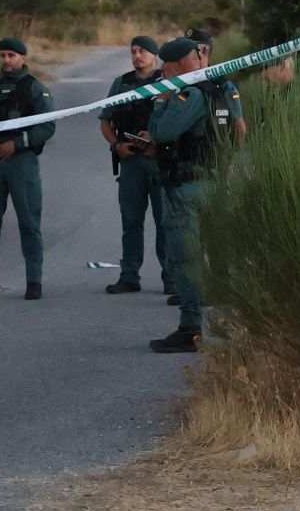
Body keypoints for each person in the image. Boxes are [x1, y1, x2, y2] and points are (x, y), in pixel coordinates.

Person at [147, 36, 234, 353]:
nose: (163, 76)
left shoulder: (189, 94)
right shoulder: (217, 88)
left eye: (165, 70)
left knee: (185, 258)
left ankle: (190, 327)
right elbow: (231, 131)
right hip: (209, 180)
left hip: (187, 186)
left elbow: (161, 132)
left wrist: (160, 101)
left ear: (173, 67)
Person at [0, 37, 55, 301]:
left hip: (21, 162)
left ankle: (33, 281)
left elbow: (47, 126)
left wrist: (16, 144)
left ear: (22, 58)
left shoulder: (35, 89)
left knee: (29, 222)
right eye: (3, 55)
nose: (6, 60)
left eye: (11, 55)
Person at [98, 35, 168, 296]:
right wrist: (117, 145)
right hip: (130, 163)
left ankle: (170, 277)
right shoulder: (122, 84)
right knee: (131, 222)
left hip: (158, 162)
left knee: (165, 223)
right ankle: (129, 275)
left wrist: (158, 144)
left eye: (143, 51)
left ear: (154, 55)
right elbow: (104, 120)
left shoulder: (166, 82)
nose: (137, 56)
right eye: (134, 51)